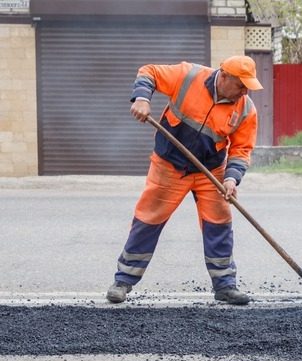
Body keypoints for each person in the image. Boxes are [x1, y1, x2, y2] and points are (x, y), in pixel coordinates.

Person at [106, 56, 263, 305]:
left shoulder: (245, 109)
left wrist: (232, 179)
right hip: (169, 166)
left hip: (210, 172)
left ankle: (225, 285)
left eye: (247, 87)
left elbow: (241, 150)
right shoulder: (188, 76)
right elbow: (149, 72)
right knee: (148, 220)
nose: (244, 91)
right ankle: (123, 281)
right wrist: (142, 98)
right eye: (241, 85)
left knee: (219, 224)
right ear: (224, 76)